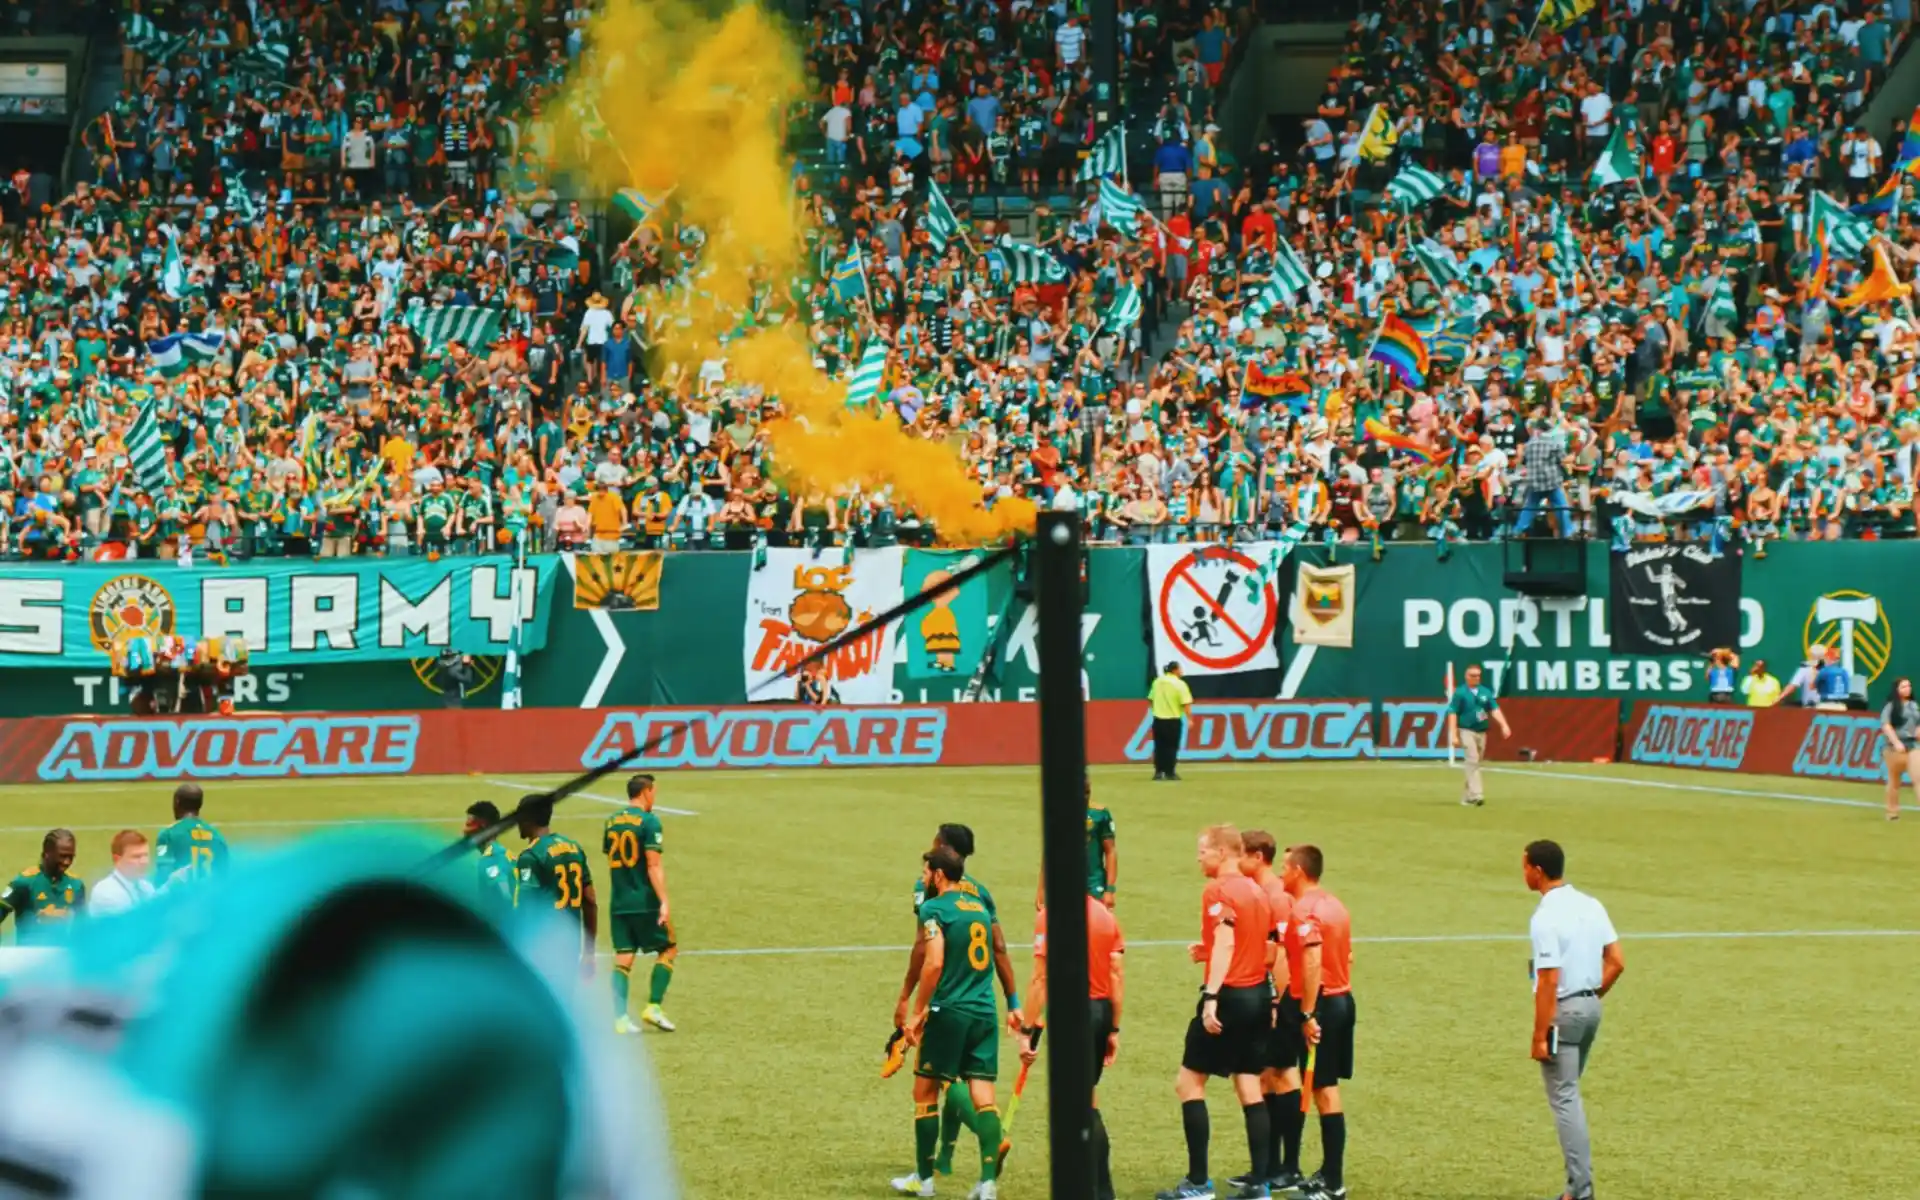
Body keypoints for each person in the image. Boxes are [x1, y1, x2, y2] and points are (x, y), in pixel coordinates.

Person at [891, 824, 1018, 1184]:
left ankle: (926, 1176)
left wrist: (913, 1006)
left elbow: (929, 956)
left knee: (931, 1086)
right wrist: (1013, 1000)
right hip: (984, 1008)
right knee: (978, 1088)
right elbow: (999, 948)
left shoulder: (932, 900)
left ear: (941, 861)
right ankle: (982, 1176)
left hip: (949, 1006)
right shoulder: (980, 898)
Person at [1158, 824, 1274, 1200]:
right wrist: (1207, 952)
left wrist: (1211, 996)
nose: (1198, 857)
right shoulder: (1257, 890)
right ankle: (1261, 1183)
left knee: (1189, 1083)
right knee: (1248, 1084)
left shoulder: (1219, 890)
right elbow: (1255, 944)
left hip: (1230, 997)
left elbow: (1226, 940)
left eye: (1203, 850)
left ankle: (1197, 1183)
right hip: (1258, 994)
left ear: (1222, 853)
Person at [1525, 839, 1625, 1200]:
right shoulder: (1591, 905)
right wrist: (1591, 997)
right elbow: (1616, 960)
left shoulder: (1544, 917)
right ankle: (1574, 1188)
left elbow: (1548, 978)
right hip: (1590, 1010)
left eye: (1524, 866)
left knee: (1565, 1099)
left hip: (1562, 1013)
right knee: (1569, 1093)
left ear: (1537, 870)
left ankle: (1580, 1190)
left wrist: (1539, 1034)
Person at [1018, 884, 1125, 1200]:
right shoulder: (1106, 917)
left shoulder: (1050, 917)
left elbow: (1041, 978)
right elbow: (1117, 974)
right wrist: (1114, 1029)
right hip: (1101, 1011)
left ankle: (1084, 1188)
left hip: (1072, 1016)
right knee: (1087, 1099)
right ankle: (1101, 1188)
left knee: (1074, 1104)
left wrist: (1026, 1032)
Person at [1277, 844, 1355, 1200]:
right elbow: (1348, 955)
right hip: (1340, 998)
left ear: (1298, 870)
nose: (1281, 873)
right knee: (1326, 1087)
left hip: (1320, 1004)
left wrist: (1308, 1014)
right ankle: (1328, 1172)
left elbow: (1312, 961)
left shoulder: (1303, 911)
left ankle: (1334, 1181)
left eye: (1285, 867)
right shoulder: (1336, 905)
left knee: (1324, 1091)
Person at [606, 773, 678, 1033]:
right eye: (654, 791)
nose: (655, 796)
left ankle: (620, 1020)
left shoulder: (612, 822)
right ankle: (654, 1007)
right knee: (669, 948)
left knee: (623, 958)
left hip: (619, 901)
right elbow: (653, 864)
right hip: (644, 900)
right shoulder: (650, 821)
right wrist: (664, 902)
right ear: (646, 791)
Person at [515, 795, 598, 978]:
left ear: (528, 819)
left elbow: (526, 908)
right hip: (571, 943)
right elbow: (590, 900)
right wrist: (589, 952)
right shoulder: (573, 848)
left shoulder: (531, 856)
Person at [1035, 778, 1116, 909]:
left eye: (1087, 792)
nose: (1085, 797)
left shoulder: (1100, 814)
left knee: (1096, 926)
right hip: (1065, 885)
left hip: (1094, 885)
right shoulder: (1059, 815)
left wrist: (1110, 889)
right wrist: (1041, 889)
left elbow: (1110, 851)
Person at [0, 830, 85, 943]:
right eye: (62, 856)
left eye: (71, 857)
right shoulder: (25, 882)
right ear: (47, 853)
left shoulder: (76, 885)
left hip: (62, 958)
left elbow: (81, 927)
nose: (66, 862)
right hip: (30, 957)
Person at [1446, 664, 1511, 807]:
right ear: (1466, 676)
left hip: (1481, 731)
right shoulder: (1460, 693)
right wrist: (1454, 734)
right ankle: (1477, 795)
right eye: (1472, 675)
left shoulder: (1485, 692)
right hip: (1466, 730)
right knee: (1472, 759)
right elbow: (1452, 713)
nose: (1476, 678)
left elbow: (1494, 709)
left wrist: (1504, 725)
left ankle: (1467, 796)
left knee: (1475, 763)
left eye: (1477, 675)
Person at [153, 782, 230, 881]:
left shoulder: (168, 834)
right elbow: (224, 875)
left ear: (177, 802)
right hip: (210, 895)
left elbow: (163, 873)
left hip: (182, 895)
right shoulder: (217, 836)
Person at [462, 800, 517, 916]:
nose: (464, 830)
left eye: (470, 823)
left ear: (483, 826)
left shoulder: (491, 859)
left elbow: (505, 895)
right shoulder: (500, 852)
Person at [89, 829, 156, 915]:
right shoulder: (106, 893)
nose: (144, 861)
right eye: (136, 857)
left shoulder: (146, 887)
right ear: (117, 859)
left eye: (146, 855)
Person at [1879, 677, 1918, 821]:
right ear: (1896, 690)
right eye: (1903, 687)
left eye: (1908, 686)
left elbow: (1917, 724)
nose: (1907, 689)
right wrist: (1896, 742)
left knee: (1918, 777)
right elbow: (1886, 726)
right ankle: (1892, 812)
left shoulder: (1914, 705)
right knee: (1894, 782)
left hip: (1912, 745)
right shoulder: (1890, 706)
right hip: (1894, 748)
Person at [1149, 660, 1194, 781]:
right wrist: (1190, 719)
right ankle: (1170, 772)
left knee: (1159, 746)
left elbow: (1151, 699)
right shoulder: (1180, 684)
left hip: (1158, 719)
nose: (1181, 672)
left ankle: (1158, 772)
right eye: (1180, 669)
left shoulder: (1157, 682)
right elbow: (1186, 703)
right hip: (1173, 720)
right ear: (1175, 670)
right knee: (1171, 747)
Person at [1814, 646, 1854, 711]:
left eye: (1825, 658)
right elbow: (1847, 690)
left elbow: (1815, 685)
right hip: (1842, 706)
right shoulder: (1844, 672)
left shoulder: (1824, 671)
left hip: (1826, 705)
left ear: (1828, 658)